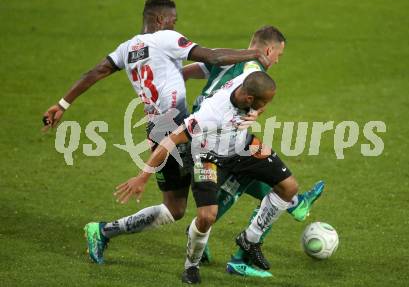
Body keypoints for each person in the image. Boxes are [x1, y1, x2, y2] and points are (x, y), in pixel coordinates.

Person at [42, 0, 269, 263]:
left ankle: (104, 232)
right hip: (178, 128)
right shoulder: (165, 38)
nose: (175, 26)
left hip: (156, 129)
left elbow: (95, 72)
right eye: (173, 21)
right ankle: (277, 207)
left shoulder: (126, 49)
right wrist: (252, 54)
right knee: (229, 165)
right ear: (161, 20)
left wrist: (62, 103)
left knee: (176, 207)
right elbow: (214, 57)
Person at [115, 71, 310, 284]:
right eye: (263, 103)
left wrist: (257, 112)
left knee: (289, 187)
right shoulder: (210, 115)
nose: (265, 106)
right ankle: (191, 266)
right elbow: (170, 140)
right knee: (207, 216)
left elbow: (258, 100)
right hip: (208, 157)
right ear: (249, 99)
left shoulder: (247, 81)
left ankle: (250, 239)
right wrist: (142, 177)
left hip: (243, 147)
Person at [182, 26, 324, 277]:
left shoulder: (225, 58)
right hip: (220, 141)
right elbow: (249, 100)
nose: (277, 60)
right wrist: (254, 111)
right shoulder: (254, 72)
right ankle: (246, 249)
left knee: (268, 186)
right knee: (260, 189)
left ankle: (293, 204)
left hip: (202, 132)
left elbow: (186, 73)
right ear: (269, 50)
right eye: (278, 54)